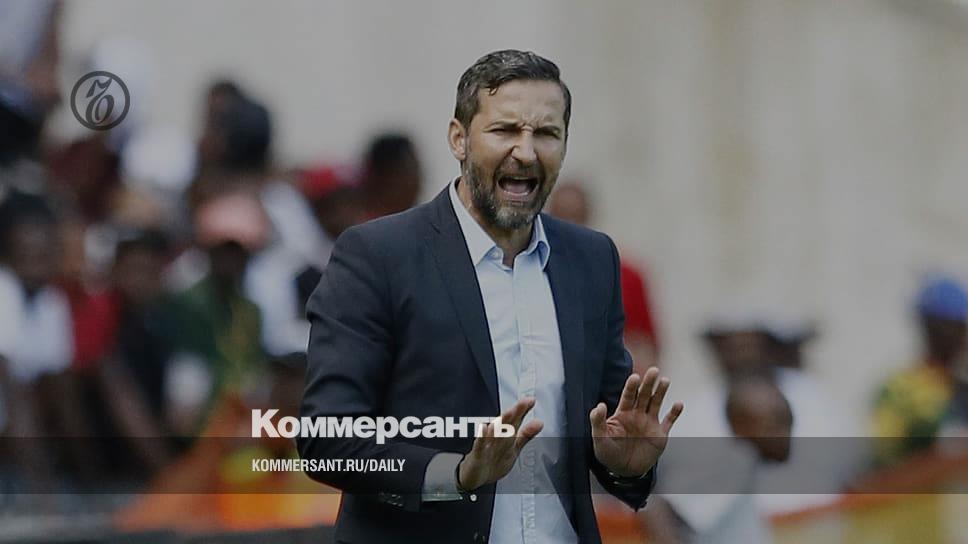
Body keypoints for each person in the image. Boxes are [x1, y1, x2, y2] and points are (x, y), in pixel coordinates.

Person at [298, 49, 682, 544]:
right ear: (459, 139)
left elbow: (608, 434)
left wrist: (625, 467)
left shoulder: (592, 260)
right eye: (505, 130)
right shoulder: (377, 255)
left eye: (547, 133)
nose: (526, 152)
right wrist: (455, 474)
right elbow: (327, 439)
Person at [548, 181, 661, 371]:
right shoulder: (534, 275)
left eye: (576, 218)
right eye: (561, 219)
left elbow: (646, 350)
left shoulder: (626, 277)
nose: (569, 227)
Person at [872, 275, 968, 467]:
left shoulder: (962, 388)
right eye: (954, 325)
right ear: (930, 328)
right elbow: (883, 464)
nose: (961, 335)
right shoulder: (899, 391)